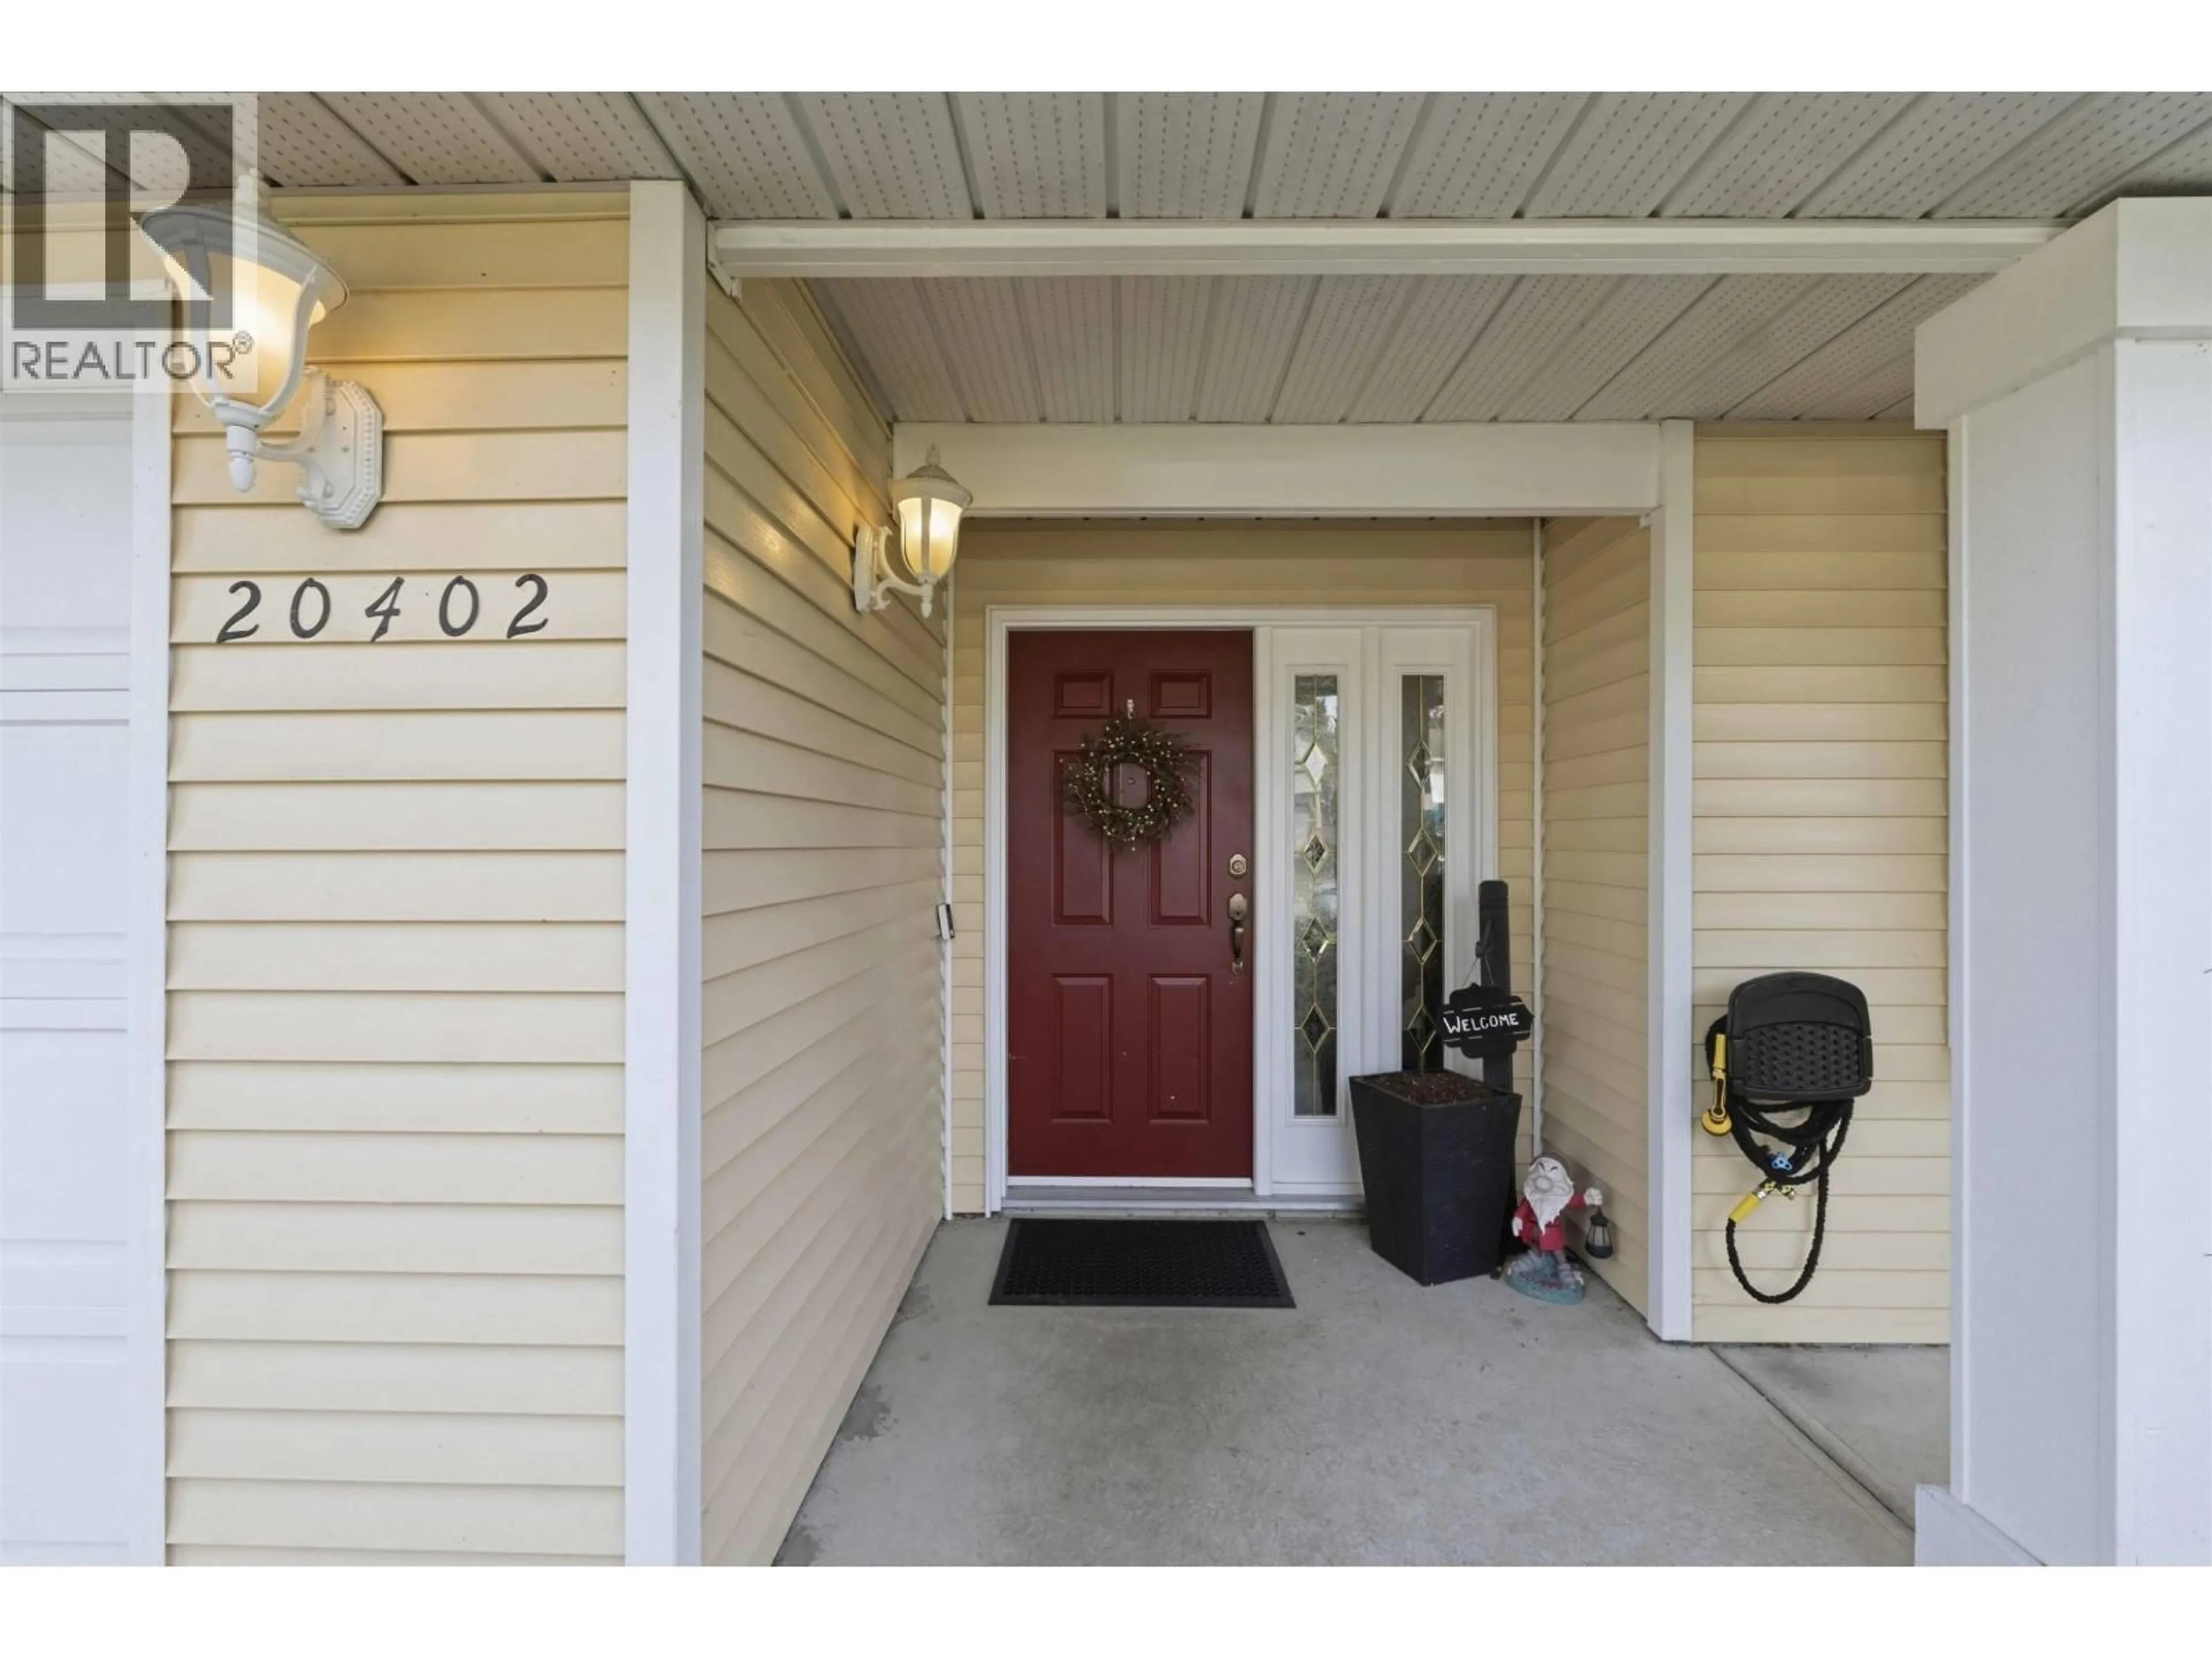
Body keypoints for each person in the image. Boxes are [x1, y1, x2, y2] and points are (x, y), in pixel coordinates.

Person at [1504, 1154, 1603, 1304]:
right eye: (1541, 1169)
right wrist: (1517, 1219)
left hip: (1551, 1232)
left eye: (1552, 1171)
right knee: (1535, 1244)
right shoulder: (1532, 1196)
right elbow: (1524, 1208)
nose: (1545, 1176)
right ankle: (1535, 1258)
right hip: (1533, 1229)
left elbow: (1574, 1200)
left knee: (1558, 1250)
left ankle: (1563, 1267)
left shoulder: (1560, 1198)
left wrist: (1587, 1198)